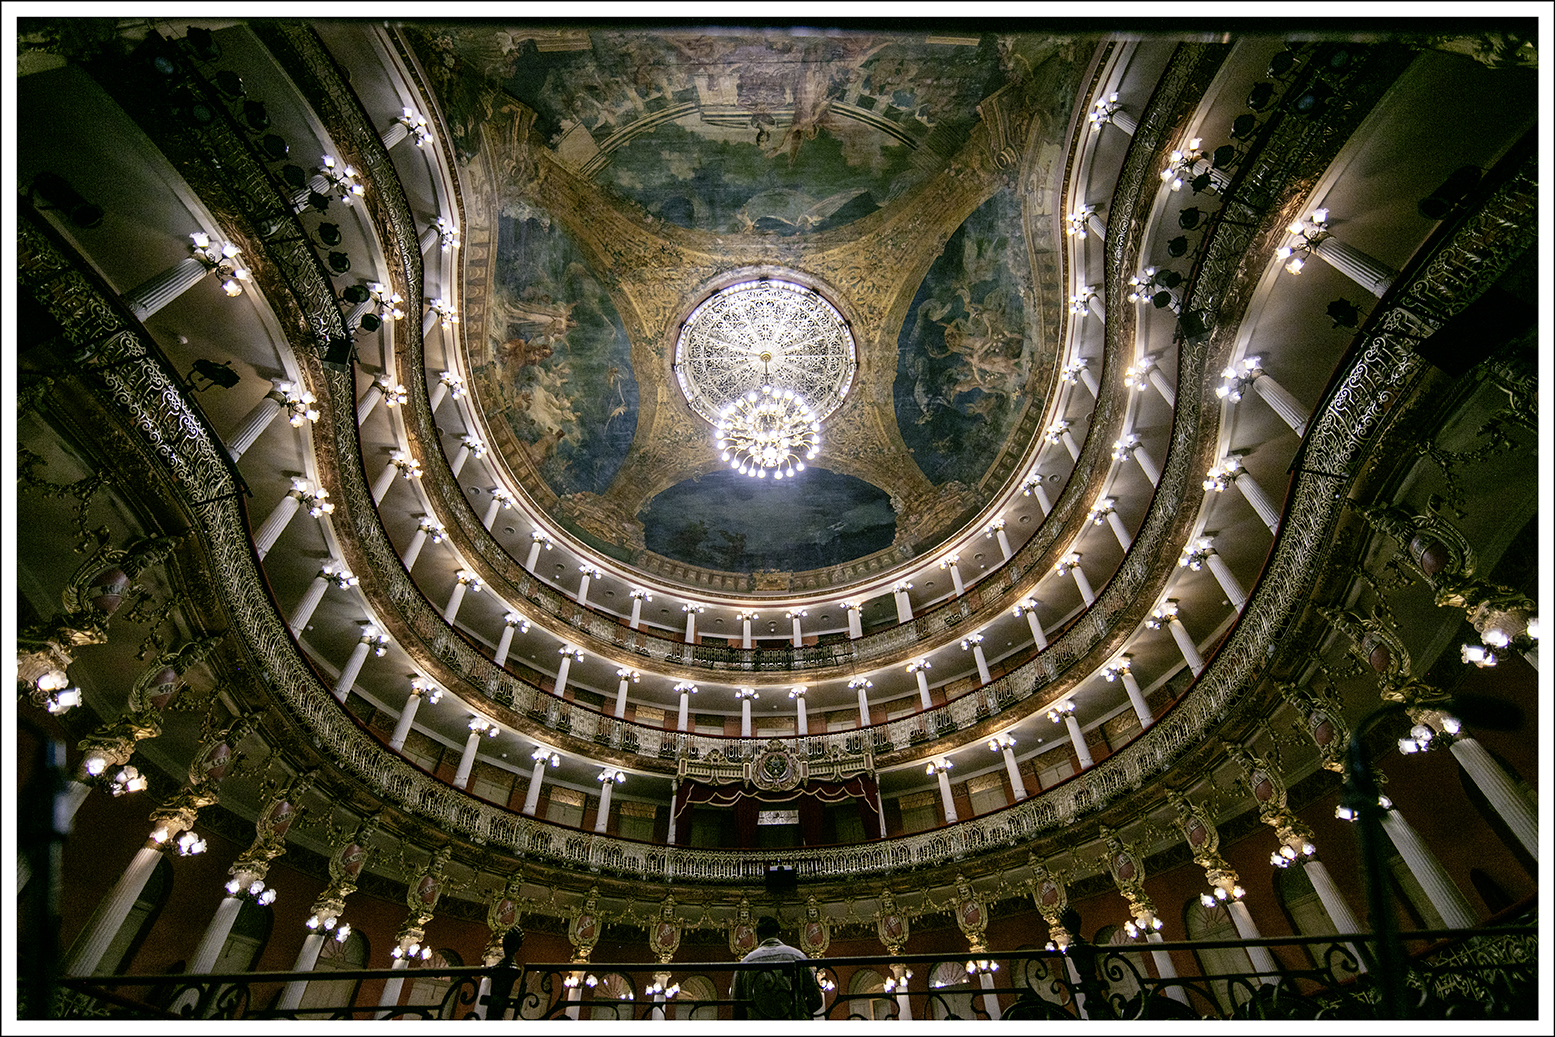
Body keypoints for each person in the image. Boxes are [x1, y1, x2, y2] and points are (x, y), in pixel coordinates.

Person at [732, 916, 824, 1020]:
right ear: (778, 934)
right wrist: (800, 1011)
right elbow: (816, 1000)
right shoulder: (797, 956)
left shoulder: (746, 963)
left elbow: (737, 1006)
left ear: (757, 936)